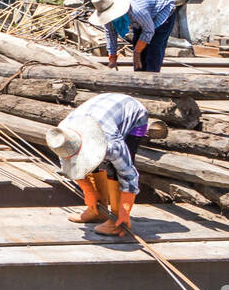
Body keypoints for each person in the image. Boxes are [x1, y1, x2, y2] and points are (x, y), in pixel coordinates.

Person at [47, 92, 168, 237]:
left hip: (134, 114)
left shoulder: (111, 145)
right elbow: (71, 168)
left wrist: (125, 208)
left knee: (115, 170)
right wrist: (89, 191)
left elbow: (128, 173)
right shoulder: (62, 138)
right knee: (87, 165)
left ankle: (117, 220)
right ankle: (97, 212)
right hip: (103, 112)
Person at [89, 0, 177, 72]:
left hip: (163, 9)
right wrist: (112, 58)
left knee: (153, 46)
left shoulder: (136, 11)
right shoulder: (108, 16)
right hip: (144, 18)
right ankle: (138, 77)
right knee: (138, 43)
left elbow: (148, 31)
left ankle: (152, 79)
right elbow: (110, 33)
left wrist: (137, 52)